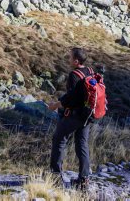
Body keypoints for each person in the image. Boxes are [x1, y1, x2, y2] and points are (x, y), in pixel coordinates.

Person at [46, 47, 96, 191]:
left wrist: (56, 105)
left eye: (69, 57)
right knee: (82, 144)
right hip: (88, 115)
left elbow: (72, 99)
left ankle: (55, 176)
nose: (68, 59)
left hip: (77, 115)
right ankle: (83, 180)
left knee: (59, 138)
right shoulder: (90, 71)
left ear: (75, 61)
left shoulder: (74, 75)